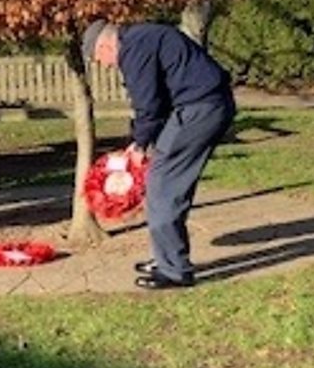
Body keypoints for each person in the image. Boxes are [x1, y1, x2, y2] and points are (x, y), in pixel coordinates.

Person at [82, 19, 235, 290]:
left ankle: (174, 270)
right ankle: (165, 257)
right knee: (163, 183)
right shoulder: (142, 37)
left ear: (105, 45)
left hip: (198, 109)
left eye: (99, 59)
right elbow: (158, 100)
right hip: (204, 104)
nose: (105, 65)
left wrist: (139, 145)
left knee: (162, 186)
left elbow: (148, 105)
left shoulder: (133, 48)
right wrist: (140, 141)